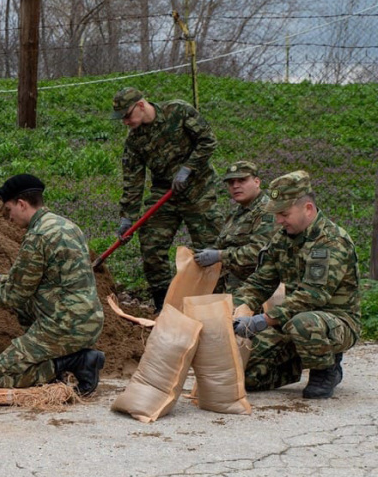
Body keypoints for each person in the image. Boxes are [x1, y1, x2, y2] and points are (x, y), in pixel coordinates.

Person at [0, 174, 105, 396]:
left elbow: (15, 296)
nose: (9, 218)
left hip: (64, 326)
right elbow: (48, 277)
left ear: (21, 204)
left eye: (8, 210)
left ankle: (74, 362)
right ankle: (59, 357)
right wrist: (0, 279)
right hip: (89, 320)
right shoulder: (67, 225)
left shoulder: (37, 236)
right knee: (25, 305)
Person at [232, 171, 360, 399]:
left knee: (304, 323)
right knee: (247, 376)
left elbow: (313, 296)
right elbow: (260, 282)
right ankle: (299, 358)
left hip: (335, 321)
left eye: (284, 214)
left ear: (307, 208)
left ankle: (326, 368)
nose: (279, 220)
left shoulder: (330, 242)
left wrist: (263, 320)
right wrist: (235, 309)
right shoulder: (282, 240)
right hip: (290, 320)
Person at [111, 87, 223, 312]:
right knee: (151, 243)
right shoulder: (134, 141)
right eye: (121, 117)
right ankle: (163, 303)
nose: (125, 121)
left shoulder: (179, 112)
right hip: (165, 192)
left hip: (198, 188)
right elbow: (133, 180)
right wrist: (127, 218)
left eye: (127, 115)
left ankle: (218, 301)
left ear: (141, 106)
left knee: (210, 246)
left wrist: (188, 168)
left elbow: (208, 140)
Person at [193, 161, 279, 293]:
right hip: (228, 287)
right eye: (231, 182)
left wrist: (220, 255)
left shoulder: (267, 212)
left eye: (242, 180)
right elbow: (222, 245)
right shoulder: (236, 214)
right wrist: (204, 254)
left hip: (255, 290)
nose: (235, 186)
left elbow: (260, 252)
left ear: (257, 182)